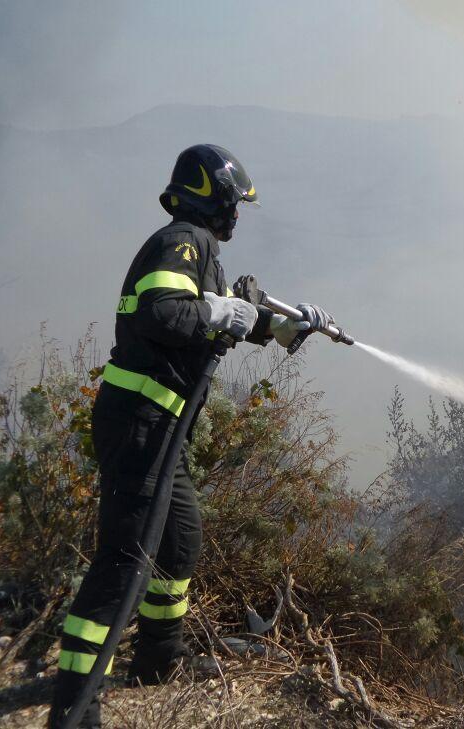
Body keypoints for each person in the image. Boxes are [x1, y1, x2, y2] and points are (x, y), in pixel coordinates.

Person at [47, 144, 334, 728]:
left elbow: (207, 315)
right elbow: (164, 312)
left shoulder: (198, 251)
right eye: (234, 203)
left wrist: (280, 326)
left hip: (161, 429)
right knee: (123, 560)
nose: (237, 215)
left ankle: (158, 660)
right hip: (140, 423)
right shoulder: (182, 241)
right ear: (214, 198)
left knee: (179, 542)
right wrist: (224, 314)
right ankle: (75, 705)